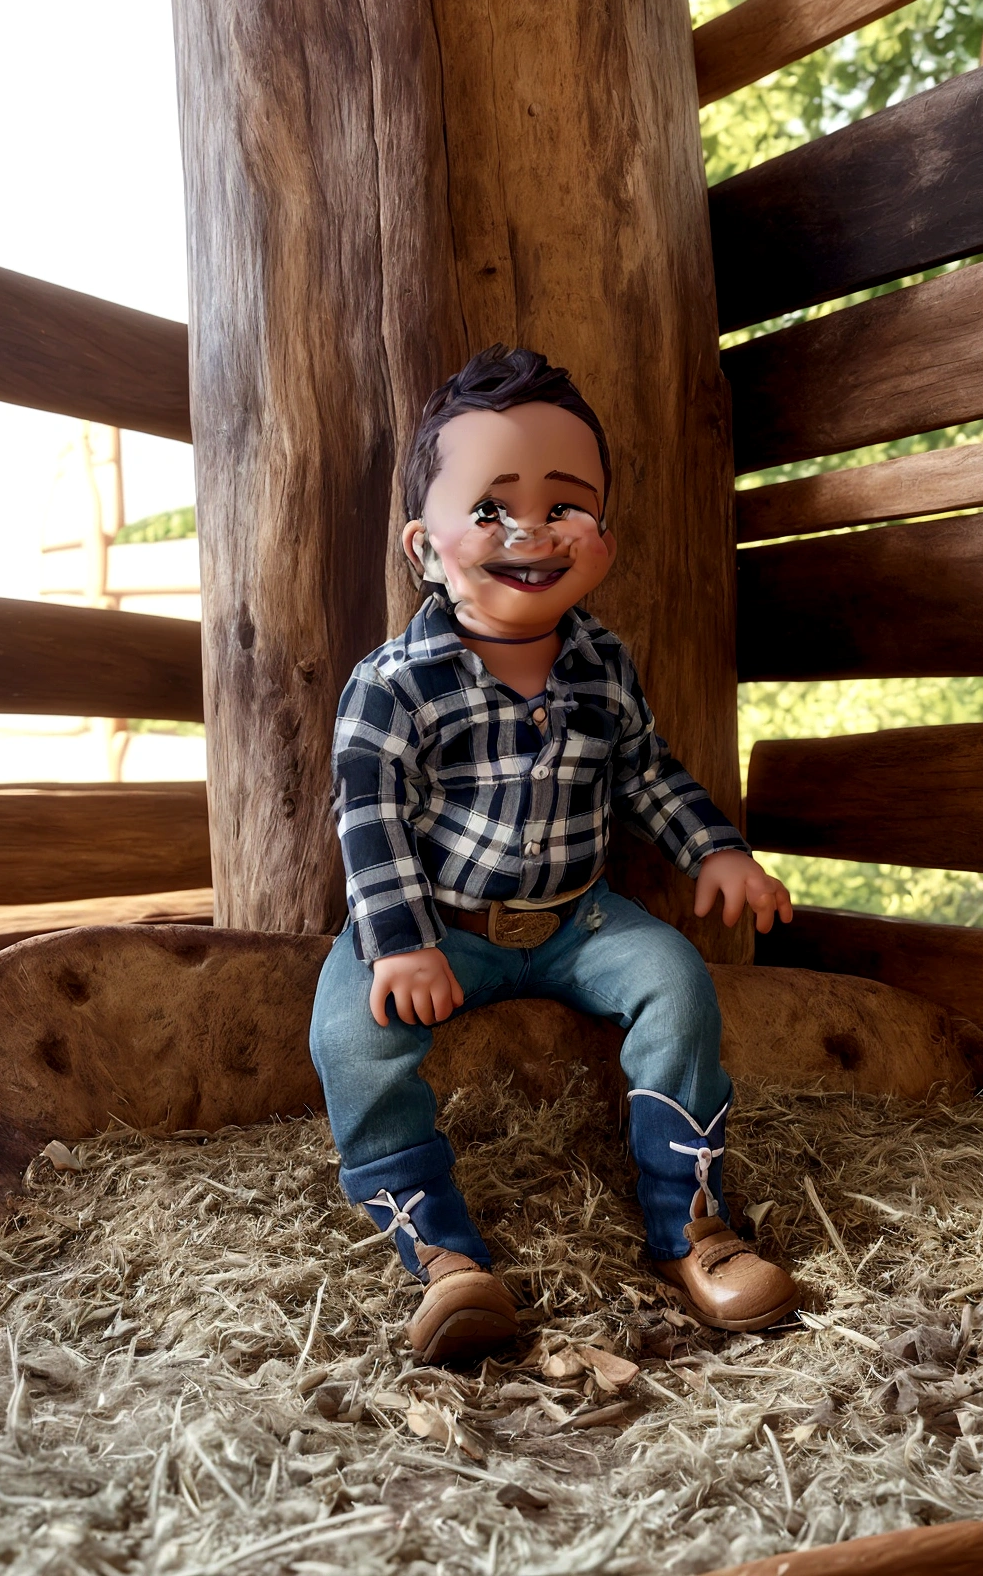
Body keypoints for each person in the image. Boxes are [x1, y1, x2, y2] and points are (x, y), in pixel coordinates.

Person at [310, 346, 799, 1363]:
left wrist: (715, 852)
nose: (530, 529)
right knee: (352, 1037)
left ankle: (692, 1226)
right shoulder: (395, 683)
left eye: (565, 503)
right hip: (439, 919)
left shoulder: (600, 665)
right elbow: (369, 816)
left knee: (673, 978)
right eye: (490, 508)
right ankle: (441, 1254)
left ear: (603, 538)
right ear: (424, 544)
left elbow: (647, 773)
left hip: (579, 917)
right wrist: (399, 944)